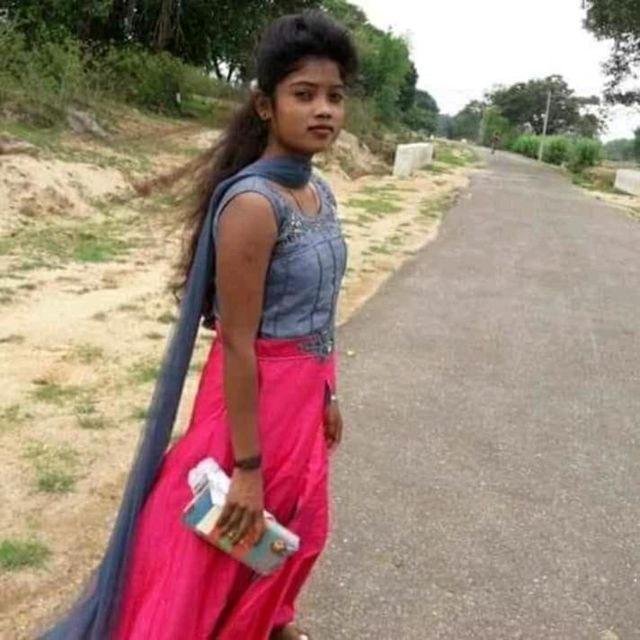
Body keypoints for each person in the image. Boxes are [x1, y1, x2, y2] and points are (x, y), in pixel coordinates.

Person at [40, 10, 357, 640]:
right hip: (253, 400)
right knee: (215, 545)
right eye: (304, 94)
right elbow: (237, 342)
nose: (323, 109)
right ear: (265, 106)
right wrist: (247, 467)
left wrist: (329, 393)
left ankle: (259, 622)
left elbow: (321, 306)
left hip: (302, 397)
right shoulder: (253, 205)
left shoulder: (317, 192)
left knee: (291, 528)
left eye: (335, 96)